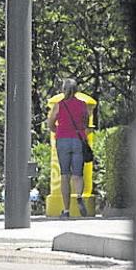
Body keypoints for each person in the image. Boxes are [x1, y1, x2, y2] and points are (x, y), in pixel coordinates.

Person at [46, 77, 90, 218]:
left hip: (63, 140)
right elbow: (86, 123)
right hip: (78, 140)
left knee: (65, 175)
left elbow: (50, 123)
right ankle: (78, 196)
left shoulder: (59, 105)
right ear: (76, 90)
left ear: (63, 90)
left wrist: (57, 130)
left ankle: (66, 210)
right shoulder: (83, 105)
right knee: (78, 174)